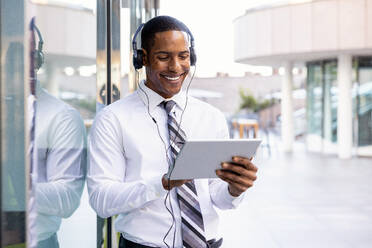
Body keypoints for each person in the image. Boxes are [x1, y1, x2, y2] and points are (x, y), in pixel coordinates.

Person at [87, 15, 258, 248]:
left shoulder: (211, 117)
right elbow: (101, 200)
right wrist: (162, 184)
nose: (176, 67)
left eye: (183, 56)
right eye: (163, 57)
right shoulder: (113, 119)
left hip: (207, 243)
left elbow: (216, 196)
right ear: (142, 58)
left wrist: (234, 189)